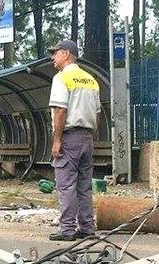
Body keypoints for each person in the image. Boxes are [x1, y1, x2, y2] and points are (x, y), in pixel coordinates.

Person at [46, 39, 101, 242]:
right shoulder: (90, 80)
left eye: (56, 53)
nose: (53, 57)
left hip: (69, 137)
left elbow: (60, 110)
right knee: (84, 186)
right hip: (87, 138)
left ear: (67, 54)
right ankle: (87, 228)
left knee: (66, 185)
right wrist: (91, 136)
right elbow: (97, 113)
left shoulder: (61, 78)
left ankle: (67, 229)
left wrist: (57, 140)